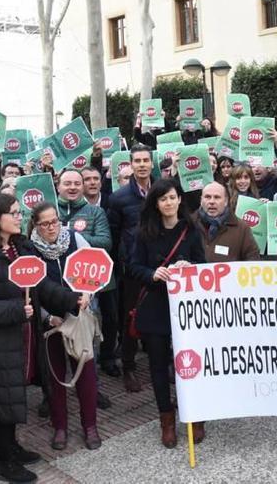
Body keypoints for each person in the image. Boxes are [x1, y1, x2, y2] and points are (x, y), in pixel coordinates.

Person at [0, 193, 87, 483]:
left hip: (20, 336)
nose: (20, 217)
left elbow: (41, 284)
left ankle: (12, 448)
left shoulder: (21, 247)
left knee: (11, 394)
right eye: (14, 213)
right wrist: (16, 310)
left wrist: (71, 299)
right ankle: (5, 462)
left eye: (19, 212)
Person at [130, 179, 205, 448]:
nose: (169, 203)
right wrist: (152, 274)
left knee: (190, 364)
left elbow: (203, 266)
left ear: (180, 199)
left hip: (185, 310)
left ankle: (195, 414)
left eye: (172, 197)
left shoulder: (192, 230)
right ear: (156, 203)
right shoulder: (144, 233)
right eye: (163, 199)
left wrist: (191, 267)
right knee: (159, 367)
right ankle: (167, 419)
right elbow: (133, 267)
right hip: (155, 307)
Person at [27, 203, 101, 451]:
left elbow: (95, 270)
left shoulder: (76, 239)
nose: (51, 227)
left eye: (55, 221)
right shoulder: (29, 250)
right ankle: (60, 426)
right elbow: (30, 291)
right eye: (45, 223)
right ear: (36, 225)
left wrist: (88, 294)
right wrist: (47, 316)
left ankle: (90, 425)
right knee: (55, 378)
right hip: (50, 323)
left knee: (86, 374)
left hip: (77, 318)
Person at [56, 169, 119, 382]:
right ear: (58, 186)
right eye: (67, 183)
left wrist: (73, 237)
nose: (72, 187)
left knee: (90, 329)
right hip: (58, 281)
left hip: (86, 280)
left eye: (76, 183)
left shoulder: (94, 212)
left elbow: (105, 241)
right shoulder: (51, 211)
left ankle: (92, 377)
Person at [108, 145, 155, 393]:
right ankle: (128, 366)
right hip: (132, 269)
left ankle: (164, 362)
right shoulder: (119, 198)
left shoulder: (162, 191)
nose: (142, 165)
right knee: (130, 318)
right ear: (130, 164)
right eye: (137, 160)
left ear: (152, 162)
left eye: (146, 160)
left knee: (161, 315)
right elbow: (114, 236)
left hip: (159, 266)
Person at [197, 182, 261, 262]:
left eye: (217, 197)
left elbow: (253, 258)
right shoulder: (189, 225)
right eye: (207, 197)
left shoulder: (241, 228)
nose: (212, 201)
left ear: (226, 201)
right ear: (201, 200)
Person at [254, 129, 277, 200]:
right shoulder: (245, 186)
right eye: (253, 165)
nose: (256, 169)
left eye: (260, 164)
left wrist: (276, 143)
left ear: (269, 168)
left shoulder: (276, 184)